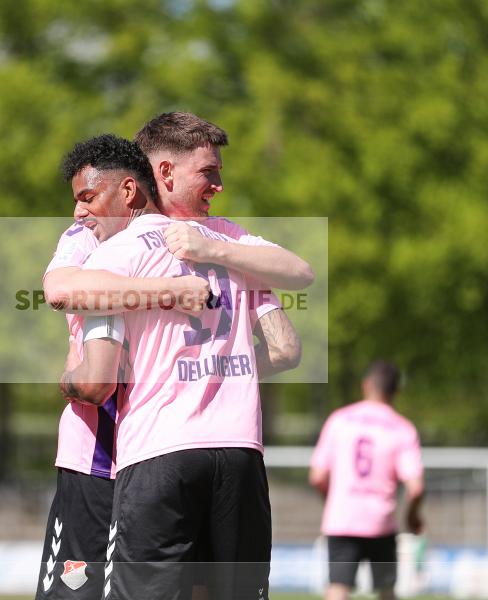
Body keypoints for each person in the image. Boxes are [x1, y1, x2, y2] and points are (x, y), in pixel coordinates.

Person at [36, 121, 310, 600]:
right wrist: (179, 291)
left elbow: (73, 318)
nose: (80, 211)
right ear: (163, 171)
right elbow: (286, 344)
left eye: (86, 197)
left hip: (141, 452)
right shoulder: (229, 243)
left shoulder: (129, 240)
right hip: (219, 448)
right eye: (209, 172)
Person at [309, 360, 425, 600]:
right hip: (381, 523)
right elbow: (416, 489)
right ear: (396, 391)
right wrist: (412, 516)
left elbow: (317, 476)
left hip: (342, 519)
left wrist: (332, 501)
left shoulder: (338, 420)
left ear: (366, 385)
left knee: (337, 588)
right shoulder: (402, 429)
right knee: (386, 591)